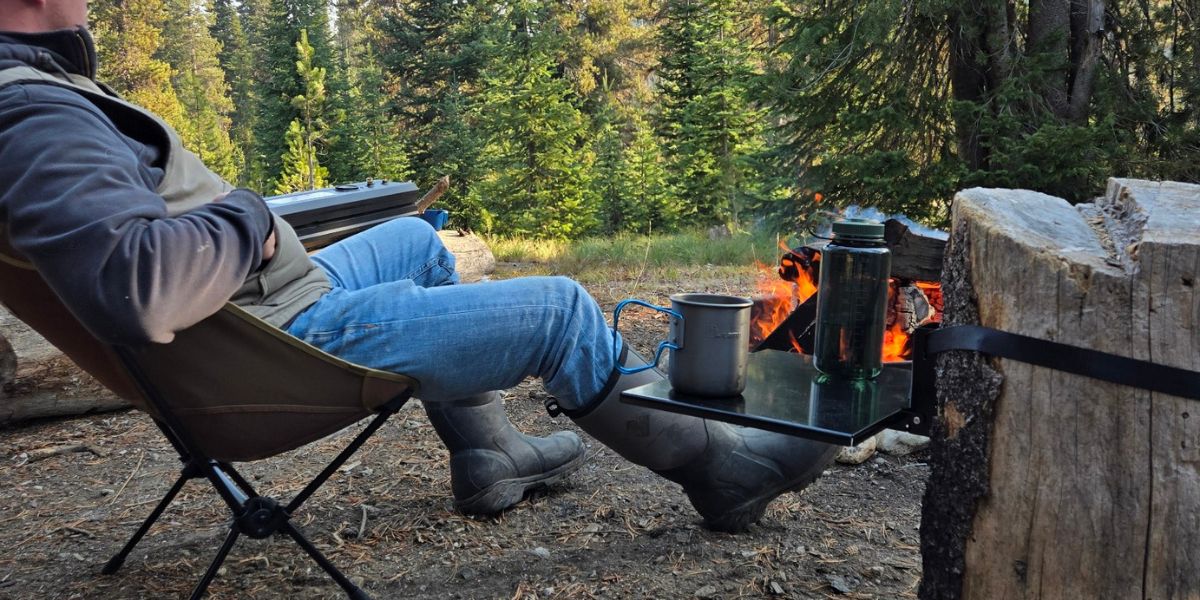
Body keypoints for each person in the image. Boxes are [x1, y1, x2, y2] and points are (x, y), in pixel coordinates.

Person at [0, 0, 836, 533]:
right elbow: (138, 288)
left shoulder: (28, 95)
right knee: (561, 311)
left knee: (419, 242)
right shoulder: (33, 112)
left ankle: (488, 455)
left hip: (267, 309)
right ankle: (722, 473)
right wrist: (251, 213)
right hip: (281, 343)